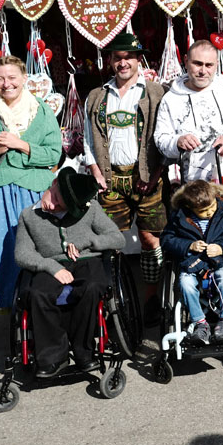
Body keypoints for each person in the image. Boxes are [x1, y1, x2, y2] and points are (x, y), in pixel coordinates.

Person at [153, 40, 223, 299]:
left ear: (216, 66)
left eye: (209, 65)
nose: (203, 70)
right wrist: (177, 142)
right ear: (186, 62)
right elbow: (161, 139)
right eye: (197, 64)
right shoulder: (172, 97)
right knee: (201, 240)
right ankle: (205, 305)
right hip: (194, 182)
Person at [0, 55, 62, 309]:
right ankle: (13, 316)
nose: (6, 84)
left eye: (12, 78)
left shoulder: (42, 111)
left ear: (24, 79)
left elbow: (54, 154)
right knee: (4, 258)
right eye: (0, 79)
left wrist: (21, 144)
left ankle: (43, 307)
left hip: (36, 195)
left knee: (40, 254)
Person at [82, 32, 167, 325]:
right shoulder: (97, 96)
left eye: (129, 57)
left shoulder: (155, 92)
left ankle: (151, 298)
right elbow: (87, 140)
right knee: (111, 242)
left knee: (149, 238)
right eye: (118, 58)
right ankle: (115, 298)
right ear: (110, 61)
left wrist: (156, 173)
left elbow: (166, 135)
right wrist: (95, 170)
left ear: (138, 59)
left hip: (146, 177)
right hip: (110, 178)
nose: (123, 63)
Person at [13, 167, 126, 377]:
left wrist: (90, 242)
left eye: (61, 206)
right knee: (37, 294)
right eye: (55, 198)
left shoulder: (89, 209)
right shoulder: (28, 216)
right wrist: (51, 267)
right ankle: (54, 357)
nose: (53, 206)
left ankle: (85, 353)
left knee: (92, 288)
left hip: (86, 261)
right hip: (49, 265)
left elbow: (118, 238)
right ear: (53, 184)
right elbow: (21, 254)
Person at [161, 180, 223, 345]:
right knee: (185, 283)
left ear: (215, 198)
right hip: (192, 261)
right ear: (190, 208)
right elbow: (166, 239)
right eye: (203, 211)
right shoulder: (179, 216)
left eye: (212, 206)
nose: (210, 212)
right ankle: (200, 322)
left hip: (219, 260)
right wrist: (188, 246)